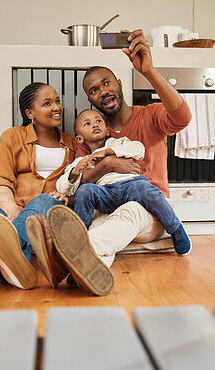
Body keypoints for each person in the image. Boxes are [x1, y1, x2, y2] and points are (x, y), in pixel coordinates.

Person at [43, 28, 192, 272]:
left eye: (106, 83)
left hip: (150, 210)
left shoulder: (150, 115)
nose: (102, 91)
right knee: (101, 229)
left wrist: (148, 71)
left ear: (119, 84)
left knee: (130, 211)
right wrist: (108, 165)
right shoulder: (92, 136)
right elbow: (81, 183)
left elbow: (183, 117)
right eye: (94, 91)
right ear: (91, 100)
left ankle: (61, 254)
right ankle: (82, 272)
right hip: (106, 206)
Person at [0, 82, 115, 294]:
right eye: (47, 103)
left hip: (49, 208)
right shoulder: (12, 136)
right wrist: (12, 210)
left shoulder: (73, 144)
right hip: (13, 206)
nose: (56, 107)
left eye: (57, 101)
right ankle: (19, 272)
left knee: (43, 202)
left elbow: (82, 180)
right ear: (30, 113)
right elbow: (1, 179)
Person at [55, 108, 191, 255]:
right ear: (80, 139)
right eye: (87, 124)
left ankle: (175, 228)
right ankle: (80, 233)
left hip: (130, 185)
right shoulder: (81, 161)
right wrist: (75, 172)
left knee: (144, 189)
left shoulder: (118, 143)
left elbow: (139, 149)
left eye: (98, 121)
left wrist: (108, 152)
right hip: (105, 192)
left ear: (107, 131)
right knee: (86, 190)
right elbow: (62, 188)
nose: (94, 125)